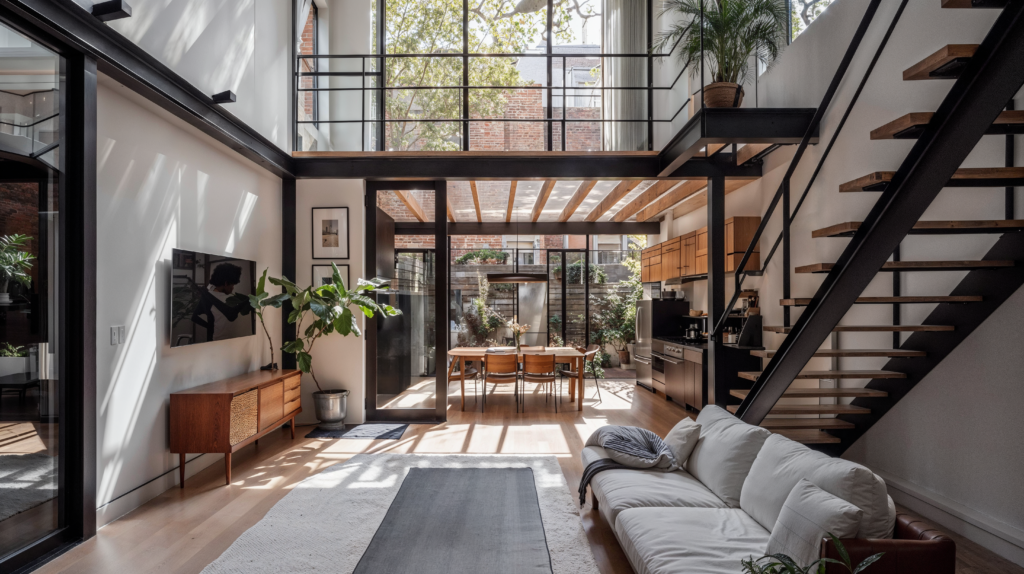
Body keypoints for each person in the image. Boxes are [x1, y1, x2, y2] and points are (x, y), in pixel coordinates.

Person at [191, 263, 250, 342]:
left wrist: (209, 327)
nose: (232, 288)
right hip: (220, 342)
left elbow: (194, 317)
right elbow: (232, 316)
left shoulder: (207, 296)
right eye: (232, 285)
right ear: (226, 283)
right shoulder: (223, 298)